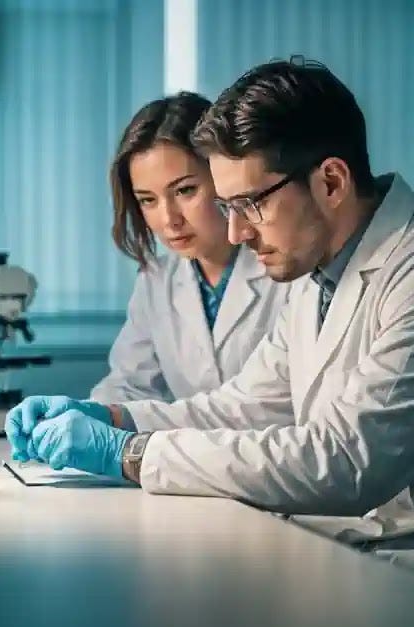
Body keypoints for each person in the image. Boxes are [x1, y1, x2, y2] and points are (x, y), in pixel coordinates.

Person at [6, 59, 414, 584]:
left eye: (249, 205)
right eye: (226, 206)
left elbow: (348, 461)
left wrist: (131, 454)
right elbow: (244, 407)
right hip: (325, 551)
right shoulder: (316, 269)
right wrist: (116, 419)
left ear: (330, 181)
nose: (235, 234)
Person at [89, 92, 290, 403]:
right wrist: (84, 415)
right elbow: (129, 384)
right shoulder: (156, 279)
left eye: (185, 190)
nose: (169, 219)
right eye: (148, 200)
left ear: (223, 177)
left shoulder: (287, 266)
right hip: (193, 451)